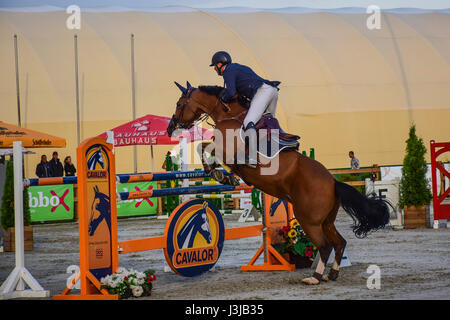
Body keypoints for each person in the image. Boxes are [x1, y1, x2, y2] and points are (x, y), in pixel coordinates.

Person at [209, 51, 281, 133]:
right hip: (272, 90)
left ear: (219, 64)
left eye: (214, 65)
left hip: (263, 92)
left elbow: (231, 92)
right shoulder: (239, 67)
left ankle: (252, 146)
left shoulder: (228, 71)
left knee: (248, 123)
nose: (214, 68)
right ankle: (278, 145)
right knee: (268, 122)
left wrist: (223, 98)